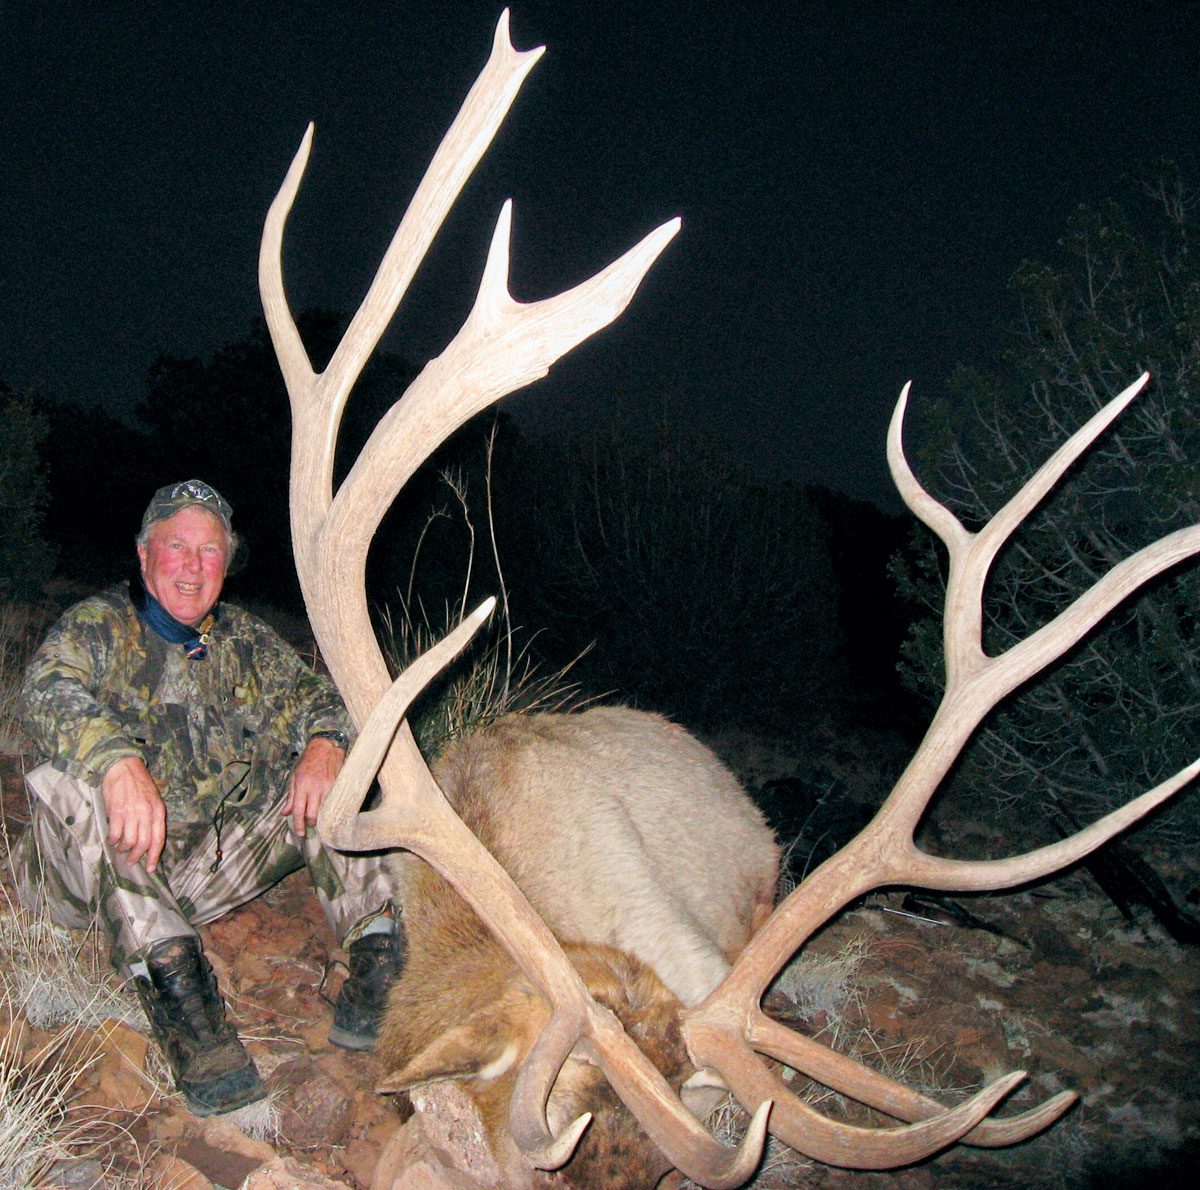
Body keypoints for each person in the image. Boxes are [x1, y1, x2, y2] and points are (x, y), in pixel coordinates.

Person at [8, 479, 404, 1116]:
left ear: (228, 561)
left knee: (335, 774)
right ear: (143, 555)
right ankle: (188, 1017)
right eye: (177, 546)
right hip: (78, 881)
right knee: (79, 781)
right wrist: (117, 762)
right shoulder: (98, 626)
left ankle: (379, 958)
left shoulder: (242, 641)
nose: (193, 566)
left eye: (210, 550)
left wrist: (325, 745)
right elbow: (45, 686)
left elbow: (322, 701)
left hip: (192, 875)